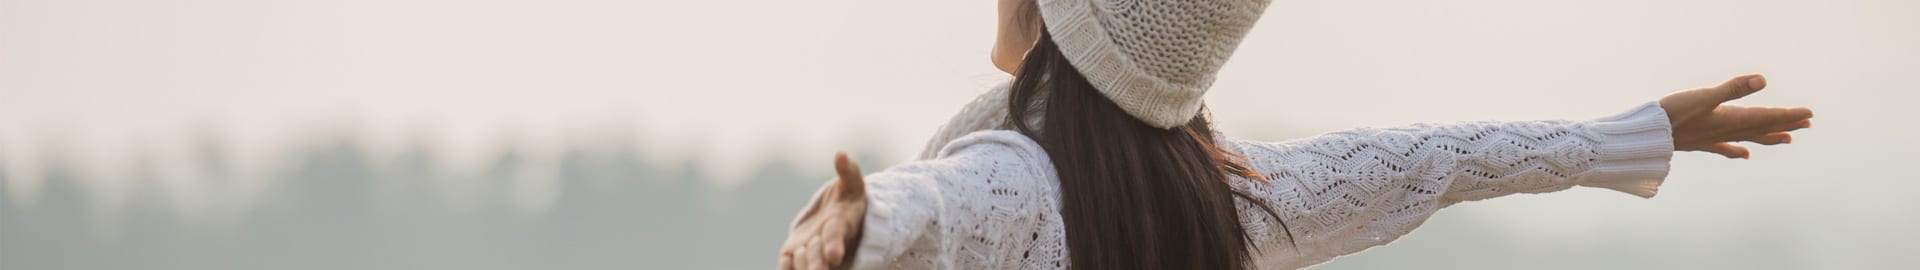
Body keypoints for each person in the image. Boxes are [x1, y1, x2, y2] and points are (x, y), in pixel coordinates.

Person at [780, 0, 1815, 269]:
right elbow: (1438, 161)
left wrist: (860, 221)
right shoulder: (1220, 199)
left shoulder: (1012, 176)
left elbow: (949, 210)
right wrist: (1628, 137)